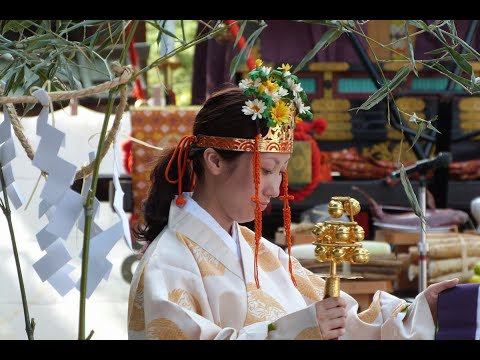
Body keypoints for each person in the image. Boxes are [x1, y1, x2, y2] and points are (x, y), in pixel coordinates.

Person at [128, 60, 458, 340]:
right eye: (266, 170)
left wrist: (422, 311)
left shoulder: (263, 252)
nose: (275, 188)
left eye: (280, 172)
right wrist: (297, 330)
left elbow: (348, 323)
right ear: (214, 161)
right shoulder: (168, 263)